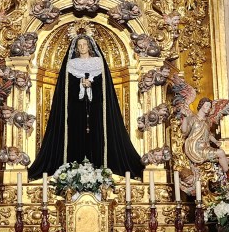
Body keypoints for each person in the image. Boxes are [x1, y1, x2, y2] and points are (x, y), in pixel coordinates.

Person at [29, 33, 143, 177]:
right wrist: (80, 84)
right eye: (79, 45)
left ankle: (100, 168)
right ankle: (74, 169)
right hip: (76, 108)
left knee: (98, 134)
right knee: (75, 134)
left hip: (97, 108)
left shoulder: (98, 62)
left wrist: (92, 84)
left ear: (89, 46)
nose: (82, 47)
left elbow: (105, 87)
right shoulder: (71, 64)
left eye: (84, 44)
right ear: (76, 48)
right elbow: (66, 89)